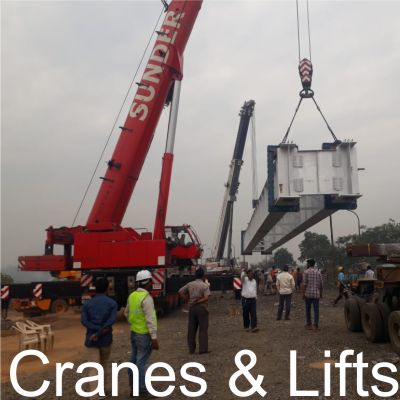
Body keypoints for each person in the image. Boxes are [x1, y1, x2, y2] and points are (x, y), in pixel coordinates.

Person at [81, 277, 118, 396]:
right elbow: (111, 321)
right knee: (104, 364)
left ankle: (94, 395)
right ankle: (104, 389)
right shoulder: (112, 304)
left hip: (91, 339)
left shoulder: (87, 304)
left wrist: (95, 332)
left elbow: (84, 321)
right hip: (106, 339)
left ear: (95, 288)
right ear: (107, 288)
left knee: (93, 367)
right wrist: (100, 332)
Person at [125, 270, 159, 395]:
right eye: (151, 281)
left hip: (134, 333)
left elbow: (126, 313)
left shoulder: (132, 296)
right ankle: (142, 389)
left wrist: (133, 323)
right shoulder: (146, 298)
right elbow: (150, 319)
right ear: (148, 282)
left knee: (133, 360)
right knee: (141, 362)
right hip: (144, 335)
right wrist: (154, 338)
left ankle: (133, 387)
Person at [179, 267, 210, 354]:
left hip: (192, 308)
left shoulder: (190, 284)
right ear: (203, 276)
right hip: (202, 308)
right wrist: (198, 301)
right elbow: (206, 298)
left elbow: (180, 291)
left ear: (195, 275)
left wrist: (188, 300)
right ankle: (203, 349)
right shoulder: (205, 285)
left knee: (191, 329)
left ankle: (191, 349)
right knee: (203, 329)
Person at [303, 259, 323, 330]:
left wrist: (303, 294)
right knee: (316, 309)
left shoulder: (306, 272)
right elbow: (321, 284)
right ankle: (315, 325)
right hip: (316, 293)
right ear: (314, 264)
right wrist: (321, 293)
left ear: (309, 264)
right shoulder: (318, 272)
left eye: (307, 263)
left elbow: (304, 284)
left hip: (308, 294)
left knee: (308, 309)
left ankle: (309, 324)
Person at [241, 268, 258, 332]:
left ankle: (254, 327)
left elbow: (255, 289)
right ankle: (246, 326)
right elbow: (242, 277)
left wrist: (256, 297)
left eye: (252, 274)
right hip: (245, 299)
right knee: (246, 314)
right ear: (247, 274)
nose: (251, 275)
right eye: (250, 274)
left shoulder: (254, 281)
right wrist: (244, 272)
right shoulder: (244, 280)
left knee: (254, 313)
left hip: (253, 299)